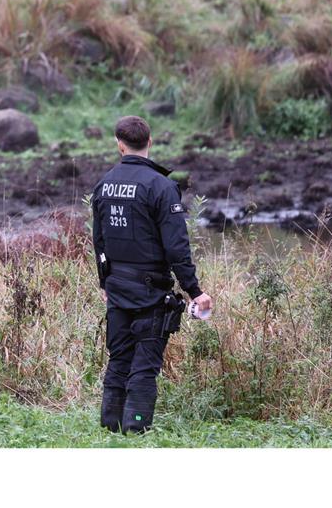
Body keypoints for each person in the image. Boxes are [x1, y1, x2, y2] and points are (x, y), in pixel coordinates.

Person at [92, 115, 213, 434]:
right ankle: (136, 428)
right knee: (144, 366)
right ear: (150, 141)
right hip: (150, 292)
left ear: (119, 144)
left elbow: (99, 240)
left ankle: (110, 426)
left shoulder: (104, 184)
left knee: (119, 359)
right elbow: (176, 247)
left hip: (117, 289)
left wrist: (105, 281)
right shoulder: (160, 185)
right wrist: (194, 291)